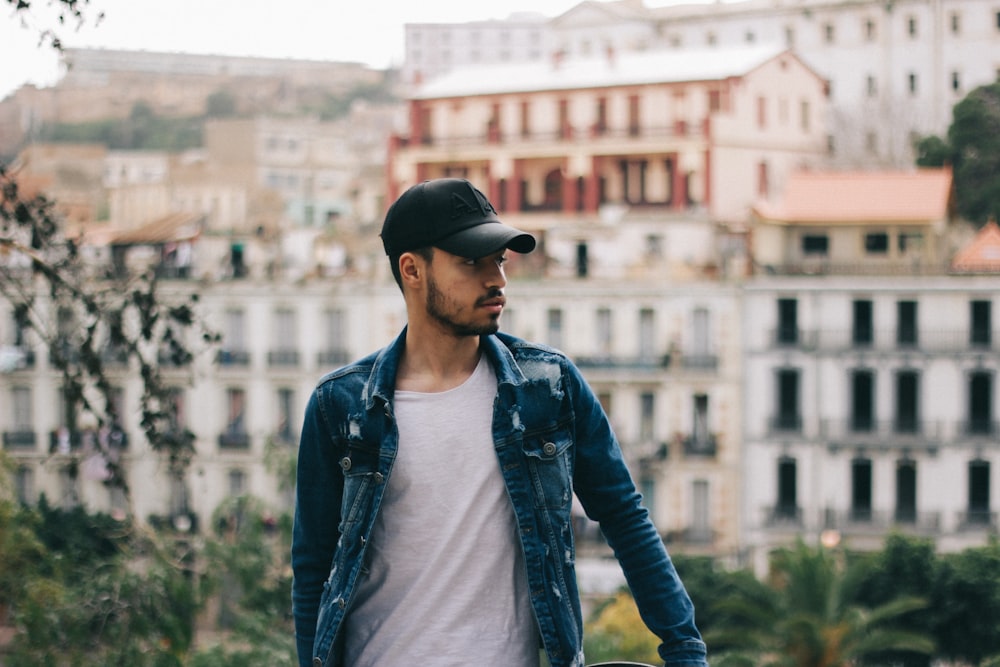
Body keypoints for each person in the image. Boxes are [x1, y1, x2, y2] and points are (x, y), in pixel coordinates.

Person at [291, 178, 708, 667]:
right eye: (472, 262)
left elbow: (625, 517)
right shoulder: (341, 405)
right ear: (412, 270)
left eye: (500, 260)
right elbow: (314, 566)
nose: (497, 280)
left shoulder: (548, 387)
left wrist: (685, 652)